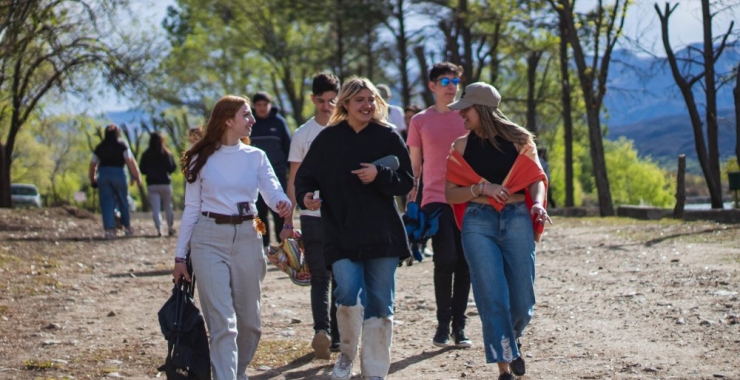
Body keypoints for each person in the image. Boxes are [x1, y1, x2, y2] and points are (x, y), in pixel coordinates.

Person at [295, 77, 413, 380]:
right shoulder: (328, 139)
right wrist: (305, 196)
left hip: (383, 234)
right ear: (345, 103)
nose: (367, 105)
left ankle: (374, 370)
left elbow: (407, 182)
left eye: (371, 99)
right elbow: (305, 177)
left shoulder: (388, 136)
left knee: (380, 302)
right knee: (346, 292)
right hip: (341, 231)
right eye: (360, 99)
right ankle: (346, 355)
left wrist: (380, 174)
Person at [172, 95, 292, 380]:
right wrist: (179, 257)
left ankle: (234, 373)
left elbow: (273, 192)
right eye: (246, 115)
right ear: (228, 120)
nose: (252, 120)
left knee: (250, 324)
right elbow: (191, 209)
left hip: (250, 236)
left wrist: (282, 204)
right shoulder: (200, 157)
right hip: (208, 238)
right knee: (223, 324)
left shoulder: (256, 157)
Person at [444, 82, 550, 380]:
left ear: (481, 109)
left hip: (518, 217)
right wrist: (481, 188)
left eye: (466, 109)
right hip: (478, 222)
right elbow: (451, 194)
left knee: (522, 299)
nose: (461, 114)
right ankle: (504, 364)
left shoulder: (520, 140)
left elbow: (536, 178)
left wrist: (539, 204)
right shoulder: (461, 147)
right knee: (491, 294)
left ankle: (511, 339)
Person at [406, 62, 472, 348]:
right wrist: (411, 199)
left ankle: (460, 326)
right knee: (446, 259)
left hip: (470, 198)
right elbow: (414, 167)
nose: (451, 86)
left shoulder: (468, 117)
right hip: (436, 199)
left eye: (455, 81)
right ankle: (443, 324)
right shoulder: (420, 121)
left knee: (466, 262)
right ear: (432, 86)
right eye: (444, 81)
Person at [282, 73, 342, 359]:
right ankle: (323, 331)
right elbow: (294, 179)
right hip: (311, 214)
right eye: (321, 101)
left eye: (333, 100)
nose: (327, 106)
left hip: (344, 214)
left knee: (342, 276)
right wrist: (287, 219)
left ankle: (336, 335)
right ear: (312, 99)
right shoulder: (303, 135)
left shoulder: (348, 129)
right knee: (320, 275)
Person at [250, 91, 292, 250]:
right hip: (254, 176)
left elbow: (289, 148)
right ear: (254, 106)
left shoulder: (279, 122)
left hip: (278, 174)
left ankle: (285, 246)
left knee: (280, 210)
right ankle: (264, 245)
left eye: (264, 105)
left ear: (270, 105)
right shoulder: (250, 123)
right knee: (259, 213)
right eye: (258, 105)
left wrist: (292, 173)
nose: (261, 108)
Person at [89, 124, 142, 239]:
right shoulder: (122, 145)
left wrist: (92, 179)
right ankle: (127, 227)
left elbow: (93, 164)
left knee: (106, 201)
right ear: (118, 133)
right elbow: (130, 161)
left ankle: (109, 230)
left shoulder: (100, 146)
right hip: (119, 173)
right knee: (123, 199)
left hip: (103, 174)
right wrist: (137, 176)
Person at [139, 131, 177, 237]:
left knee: (156, 208)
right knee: (168, 206)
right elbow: (172, 167)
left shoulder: (146, 154)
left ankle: (159, 229)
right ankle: (170, 227)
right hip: (165, 182)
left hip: (152, 183)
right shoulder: (166, 153)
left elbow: (142, 169)